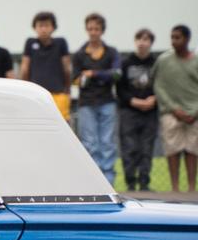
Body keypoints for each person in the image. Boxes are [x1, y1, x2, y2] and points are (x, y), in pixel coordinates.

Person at [71, 13, 121, 184]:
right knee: (90, 144)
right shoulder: (79, 54)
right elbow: (75, 78)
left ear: (102, 31)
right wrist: (99, 76)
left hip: (107, 102)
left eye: (97, 29)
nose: (93, 32)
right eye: (90, 29)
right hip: (86, 104)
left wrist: (93, 73)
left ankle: (109, 181)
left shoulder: (111, 52)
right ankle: (93, 182)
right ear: (86, 30)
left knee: (107, 143)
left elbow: (116, 74)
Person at [153, 24, 198, 192]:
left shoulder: (196, 61)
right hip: (171, 113)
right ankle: (175, 188)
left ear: (187, 39)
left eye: (177, 38)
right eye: (172, 37)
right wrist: (174, 109)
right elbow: (158, 86)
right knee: (172, 149)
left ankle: (192, 188)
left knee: (192, 149)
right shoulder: (163, 60)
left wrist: (194, 112)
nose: (173, 41)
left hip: (194, 114)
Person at [117, 28, 159, 191]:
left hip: (150, 112)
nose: (142, 43)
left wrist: (154, 99)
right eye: (139, 39)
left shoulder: (156, 63)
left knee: (146, 148)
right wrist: (133, 101)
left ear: (151, 43)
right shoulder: (125, 62)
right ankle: (130, 182)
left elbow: (161, 85)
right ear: (135, 42)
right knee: (129, 148)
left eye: (146, 40)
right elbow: (119, 88)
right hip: (129, 111)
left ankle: (144, 183)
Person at [20, 11, 73, 120]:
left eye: (47, 25)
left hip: (58, 94)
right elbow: (24, 69)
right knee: (36, 124)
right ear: (35, 27)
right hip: (35, 95)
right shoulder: (30, 43)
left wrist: (67, 89)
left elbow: (67, 69)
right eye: (40, 25)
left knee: (61, 125)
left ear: (53, 27)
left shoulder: (61, 43)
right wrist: (25, 89)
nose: (43, 29)